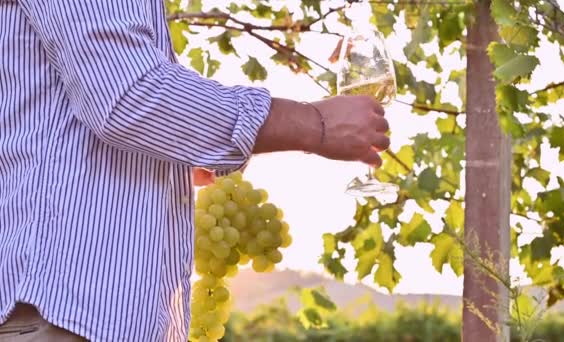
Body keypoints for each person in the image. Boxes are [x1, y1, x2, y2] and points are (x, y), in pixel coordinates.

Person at [0, 1, 390, 341]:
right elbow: (128, 93)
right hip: (66, 315)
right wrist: (315, 124)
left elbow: (51, 115)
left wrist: (169, 163)